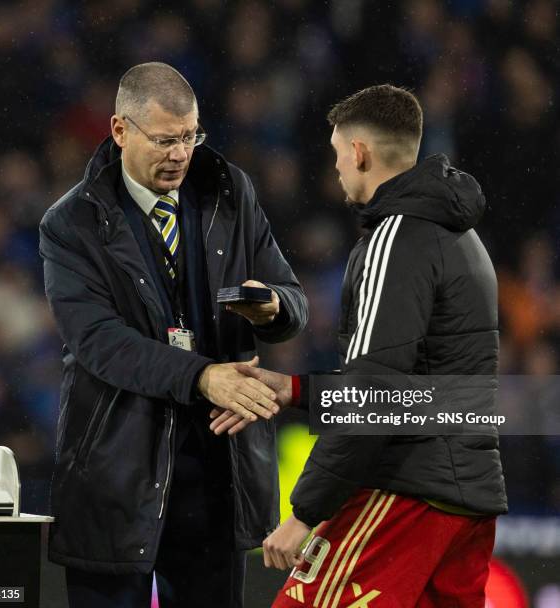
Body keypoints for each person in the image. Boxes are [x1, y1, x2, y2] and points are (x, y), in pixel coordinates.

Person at [211, 84, 507, 607]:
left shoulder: (398, 237)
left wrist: (305, 512)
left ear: (360, 152)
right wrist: (297, 390)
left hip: (404, 495)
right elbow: (422, 390)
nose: (337, 170)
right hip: (464, 499)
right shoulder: (461, 236)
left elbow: (377, 390)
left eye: (336, 154)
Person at [39, 62, 308, 608]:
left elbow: (293, 299)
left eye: (190, 136)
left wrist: (274, 308)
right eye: (164, 140)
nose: (181, 154)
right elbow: (100, 343)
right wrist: (203, 376)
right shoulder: (70, 226)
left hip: (216, 478)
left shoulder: (231, 191)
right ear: (119, 131)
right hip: (115, 480)